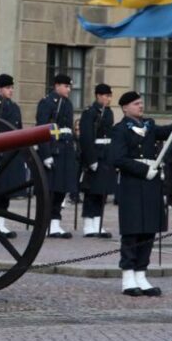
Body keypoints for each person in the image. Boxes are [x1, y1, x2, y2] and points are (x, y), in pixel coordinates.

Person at [111, 91, 172, 297]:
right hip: (132, 184)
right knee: (132, 230)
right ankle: (128, 277)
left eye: (141, 103)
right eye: (136, 104)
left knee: (149, 230)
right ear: (125, 108)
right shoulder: (119, 130)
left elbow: (169, 132)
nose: (141, 106)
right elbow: (118, 159)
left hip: (151, 186)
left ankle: (141, 274)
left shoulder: (149, 126)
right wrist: (143, 169)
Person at [36, 74, 78, 238]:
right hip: (54, 149)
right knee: (51, 190)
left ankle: (55, 224)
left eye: (69, 87)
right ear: (57, 86)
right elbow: (42, 129)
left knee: (61, 189)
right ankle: (46, 223)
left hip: (66, 150)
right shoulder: (47, 103)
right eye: (66, 86)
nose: (68, 90)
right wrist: (46, 154)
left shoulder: (67, 103)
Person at [0, 73, 24, 238]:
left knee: (7, 190)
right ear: (0, 89)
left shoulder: (14, 107)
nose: (11, 91)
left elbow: (19, 131)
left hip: (11, 152)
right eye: (8, 88)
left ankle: (1, 223)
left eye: (12, 88)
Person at [78, 83, 115, 238]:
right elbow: (86, 137)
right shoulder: (89, 112)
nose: (108, 99)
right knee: (91, 191)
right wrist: (91, 159)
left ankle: (98, 223)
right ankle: (88, 224)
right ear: (99, 96)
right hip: (95, 154)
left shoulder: (108, 113)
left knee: (102, 191)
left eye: (109, 96)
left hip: (106, 155)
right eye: (106, 96)